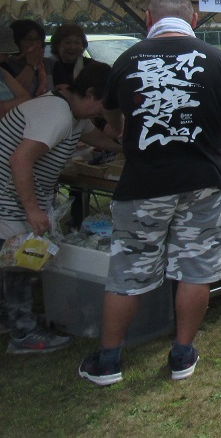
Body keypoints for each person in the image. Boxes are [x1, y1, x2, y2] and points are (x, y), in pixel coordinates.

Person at [79, 0, 221, 386]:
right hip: (204, 182)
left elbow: (110, 111)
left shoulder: (127, 60)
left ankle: (109, 361)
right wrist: (215, 119)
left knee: (128, 270)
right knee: (195, 269)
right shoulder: (218, 58)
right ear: (193, 19)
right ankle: (181, 355)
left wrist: (123, 128)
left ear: (147, 19)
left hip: (144, 182)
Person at [1, 62, 121, 354]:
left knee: (13, 261)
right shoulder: (55, 113)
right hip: (8, 199)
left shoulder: (72, 112)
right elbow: (20, 160)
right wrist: (32, 210)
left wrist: (131, 149)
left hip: (15, 198)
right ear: (91, 93)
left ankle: (13, 318)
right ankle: (23, 332)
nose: (104, 115)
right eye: (104, 106)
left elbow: (100, 139)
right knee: (20, 261)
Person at [1, 19, 53, 97]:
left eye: (38, 39)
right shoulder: (5, 64)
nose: (34, 44)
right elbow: (12, 94)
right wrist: (30, 65)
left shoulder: (52, 63)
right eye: (28, 39)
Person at [49, 24, 96, 90]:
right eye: (68, 42)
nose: (73, 47)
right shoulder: (47, 66)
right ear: (57, 44)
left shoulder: (91, 66)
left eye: (77, 43)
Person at [0, 26, 30, 118]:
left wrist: (3, 107)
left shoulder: (2, 72)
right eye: (4, 54)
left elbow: (26, 98)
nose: (5, 59)